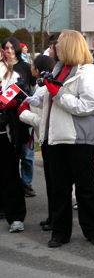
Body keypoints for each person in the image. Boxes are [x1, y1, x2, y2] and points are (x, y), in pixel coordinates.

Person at [41, 30, 94, 248]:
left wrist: (58, 94)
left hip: (79, 140)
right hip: (56, 137)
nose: (55, 46)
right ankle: (60, 233)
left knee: (85, 188)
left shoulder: (88, 74)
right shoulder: (59, 70)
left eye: (59, 43)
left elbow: (86, 106)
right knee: (59, 189)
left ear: (69, 45)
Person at [19, 55, 56, 231]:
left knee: (53, 182)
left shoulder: (42, 89)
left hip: (48, 138)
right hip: (46, 137)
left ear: (36, 70)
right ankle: (53, 216)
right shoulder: (40, 88)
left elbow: (41, 119)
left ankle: (54, 217)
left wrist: (23, 113)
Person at [0, 47, 28, 233]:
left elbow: (23, 98)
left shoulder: (13, 76)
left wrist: (9, 103)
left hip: (5, 132)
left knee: (9, 174)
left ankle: (16, 217)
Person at [3, 37, 34, 198]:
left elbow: (33, 89)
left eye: (12, 48)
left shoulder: (25, 67)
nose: (9, 51)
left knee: (27, 154)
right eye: (6, 48)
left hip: (24, 115)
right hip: (8, 119)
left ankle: (26, 183)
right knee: (10, 156)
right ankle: (13, 185)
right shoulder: (2, 68)